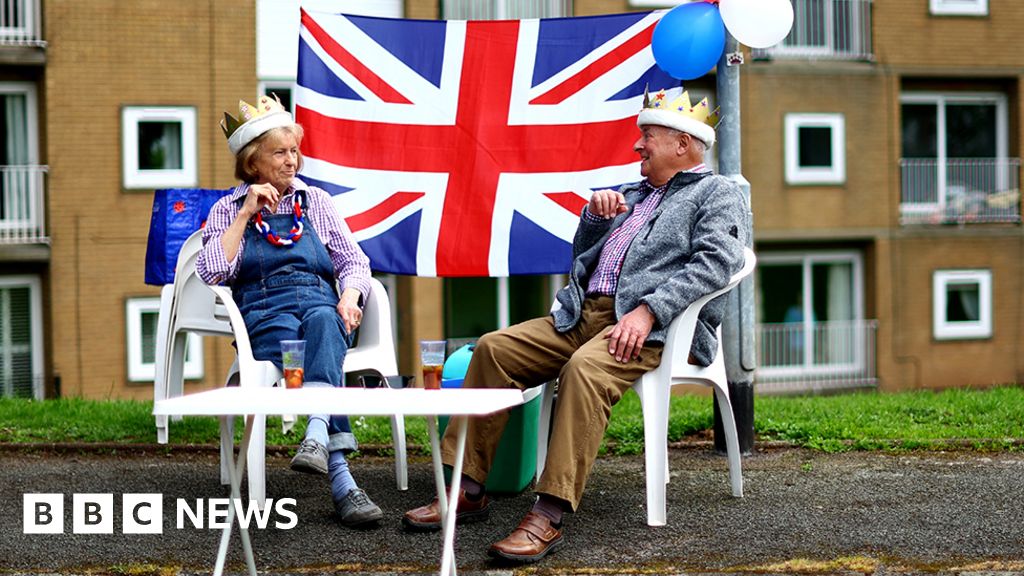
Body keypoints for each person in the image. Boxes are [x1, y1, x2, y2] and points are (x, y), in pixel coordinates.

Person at [402, 87, 749, 562]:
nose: (637, 146)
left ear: (683, 145)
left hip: (650, 325)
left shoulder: (718, 193)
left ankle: (548, 514)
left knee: (583, 372)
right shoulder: (631, 194)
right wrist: (593, 218)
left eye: (647, 135)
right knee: (493, 350)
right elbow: (584, 259)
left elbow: (717, 263)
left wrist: (649, 311)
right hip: (579, 315)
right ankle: (467, 487)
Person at [196, 95, 383, 527]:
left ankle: (316, 433)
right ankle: (341, 477)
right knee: (293, 337)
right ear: (252, 164)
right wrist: (245, 214)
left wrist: (350, 297)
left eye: (294, 150)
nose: (291, 161)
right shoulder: (227, 209)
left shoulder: (315, 201)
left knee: (323, 323)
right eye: (279, 152)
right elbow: (212, 272)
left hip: (320, 301)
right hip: (264, 309)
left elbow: (354, 262)